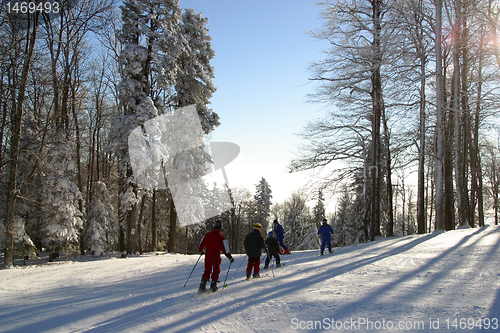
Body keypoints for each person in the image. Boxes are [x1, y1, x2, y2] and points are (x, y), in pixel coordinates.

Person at [198, 220, 234, 293]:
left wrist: (201, 251)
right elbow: (225, 249)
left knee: (207, 270)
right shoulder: (220, 237)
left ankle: (202, 286)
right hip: (215, 255)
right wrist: (230, 257)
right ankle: (213, 285)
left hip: (207, 254)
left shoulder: (207, 235)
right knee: (216, 270)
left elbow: (201, 244)